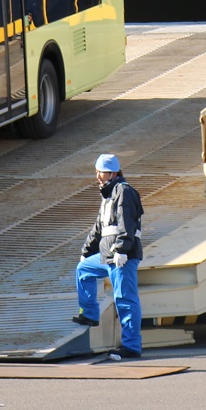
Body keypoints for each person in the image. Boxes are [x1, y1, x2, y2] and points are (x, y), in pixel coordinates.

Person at [74, 151, 144, 361]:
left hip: (121, 256)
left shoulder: (124, 191)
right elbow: (99, 228)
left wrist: (122, 249)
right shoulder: (108, 195)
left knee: (125, 299)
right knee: (83, 270)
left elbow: (126, 224)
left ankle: (132, 346)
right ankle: (90, 314)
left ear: (113, 173)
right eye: (96, 172)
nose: (98, 176)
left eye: (101, 172)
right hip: (107, 255)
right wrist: (86, 252)